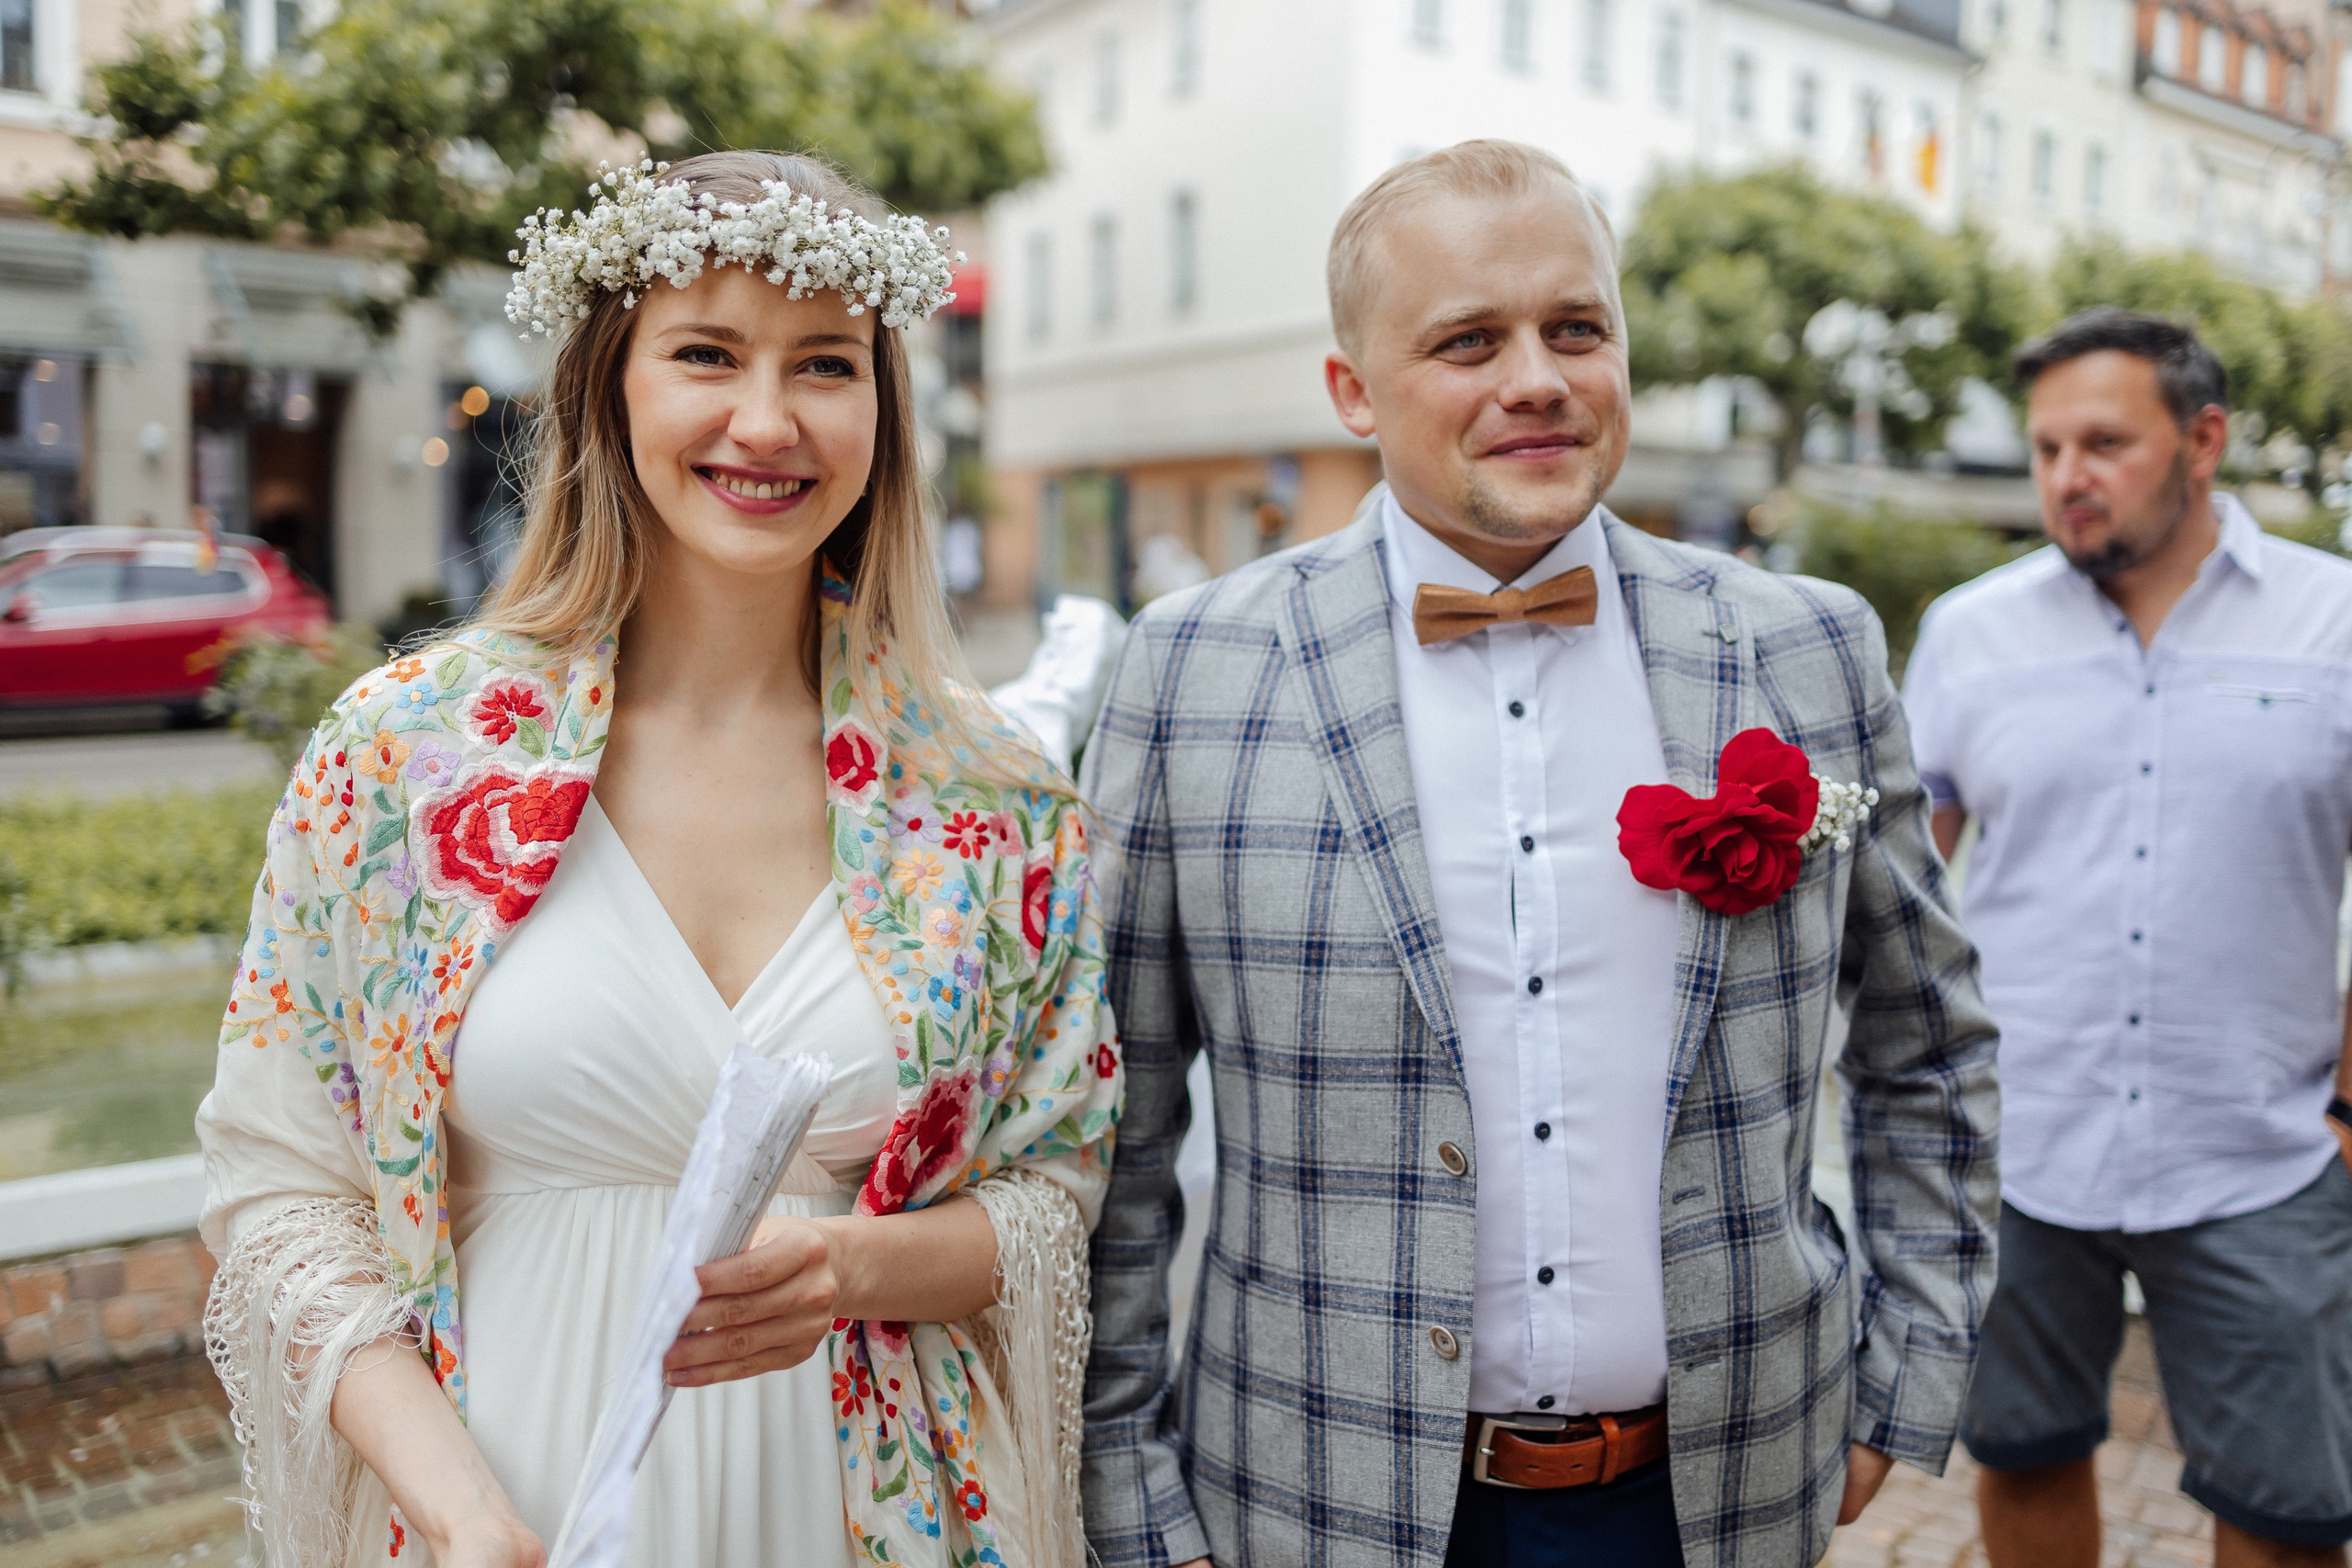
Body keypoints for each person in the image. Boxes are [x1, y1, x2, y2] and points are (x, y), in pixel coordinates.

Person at [1077, 139, 2000, 1568]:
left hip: (1723, 1493)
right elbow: (1117, 1124)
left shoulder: (1806, 648)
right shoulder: (1189, 670)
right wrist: (1131, 1488)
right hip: (1309, 1491)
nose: (1538, 378)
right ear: (1352, 392)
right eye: (1467, 340)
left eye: (1578, 328)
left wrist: (1907, 1375)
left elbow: (1927, 1046)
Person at [192, 151, 1120, 1568]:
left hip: (858, 1513)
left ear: (885, 409)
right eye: (705, 354)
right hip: (508, 1496)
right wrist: (458, 1514)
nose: (767, 420)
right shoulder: (405, 758)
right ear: (609, 386)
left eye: (825, 365)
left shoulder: (991, 797)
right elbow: (282, 1191)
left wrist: (858, 1264)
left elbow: (1057, 1189)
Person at [1906, 307, 2352, 1568]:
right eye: (2047, 448)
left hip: (2262, 1153)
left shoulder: (2336, 623)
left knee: (2286, 1510)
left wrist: (2350, 1119)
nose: (2066, 477)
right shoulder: (1971, 634)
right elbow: (1902, 893)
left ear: (2202, 440)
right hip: (2021, 1148)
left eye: (2104, 442)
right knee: (2025, 1453)